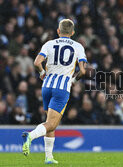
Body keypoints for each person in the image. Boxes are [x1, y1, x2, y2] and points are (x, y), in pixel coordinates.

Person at [22, 19, 87, 164]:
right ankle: (30, 136)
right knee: (51, 124)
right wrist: (74, 81)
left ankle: (48, 157)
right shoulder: (78, 46)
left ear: (58, 31)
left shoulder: (49, 44)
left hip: (46, 86)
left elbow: (37, 62)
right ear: (73, 32)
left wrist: (41, 73)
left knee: (49, 122)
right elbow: (82, 71)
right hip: (62, 88)